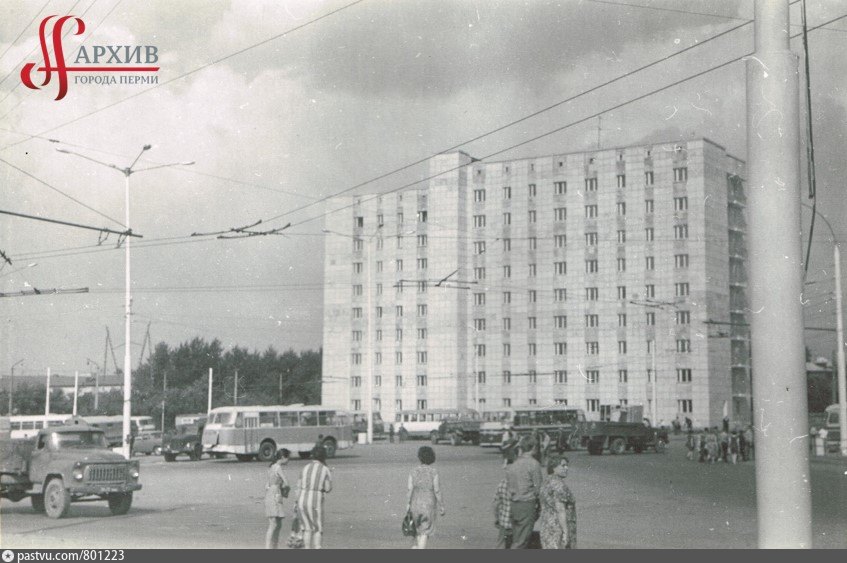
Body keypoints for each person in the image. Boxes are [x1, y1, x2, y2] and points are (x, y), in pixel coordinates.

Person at [507, 434, 543, 549]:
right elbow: (538, 488)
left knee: (517, 538)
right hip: (527, 504)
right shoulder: (534, 464)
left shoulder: (513, 464)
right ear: (533, 447)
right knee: (521, 542)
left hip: (514, 504)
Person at [406, 446, 445, 549]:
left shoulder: (413, 471)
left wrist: (408, 504)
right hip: (428, 505)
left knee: (418, 530)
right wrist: (441, 505)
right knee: (425, 532)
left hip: (415, 504)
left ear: (419, 457)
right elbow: (437, 490)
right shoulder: (433, 472)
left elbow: (410, 489)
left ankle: (416, 548)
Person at [296, 445, 332, 549]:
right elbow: (328, 488)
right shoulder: (325, 469)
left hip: (302, 499)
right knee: (317, 528)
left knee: (307, 528)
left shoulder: (305, 467)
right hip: (315, 500)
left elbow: (298, 485)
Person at [538, 454, 576, 549]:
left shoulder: (546, 482)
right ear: (554, 467)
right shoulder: (559, 485)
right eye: (563, 465)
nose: (566, 468)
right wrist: (565, 531)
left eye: (567, 465)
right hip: (557, 527)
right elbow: (560, 510)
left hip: (546, 525)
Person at [264, 448, 291, 549]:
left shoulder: (271, 467)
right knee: (274, 524)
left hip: (269, 494)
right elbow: (287, 483)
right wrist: (285, 492)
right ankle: (269, 547)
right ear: (283, 457)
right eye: (288, 458)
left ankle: (273, 547)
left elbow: (267, 484)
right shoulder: (278, 467)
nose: (289, 460)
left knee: (276, 523)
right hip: (276, 495)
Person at [493, 448, 516, 548]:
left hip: (504, 522)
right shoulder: (522, 484)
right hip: (517, 523)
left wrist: (497, 518)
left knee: (501, 545)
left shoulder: (502, 484)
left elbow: (495, 504)